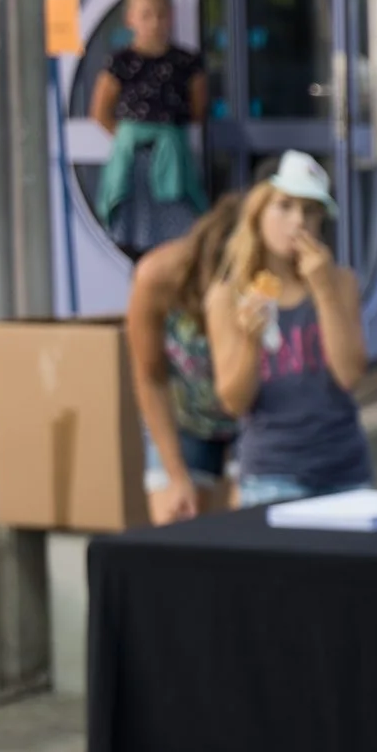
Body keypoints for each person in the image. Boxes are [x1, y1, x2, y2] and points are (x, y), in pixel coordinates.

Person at [206, 153, 372, 508]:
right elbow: (234, 402)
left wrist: (323, 289)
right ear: (257, 212)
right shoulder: (228, 296)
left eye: (311, 210)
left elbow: (350, 375)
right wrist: (250, 341)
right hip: (271, 475)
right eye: (285, 206)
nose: (299, 221)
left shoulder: (340, 281)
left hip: (345, 471)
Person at [126, 190, 248, 523]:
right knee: (174, 525)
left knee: (256, 530)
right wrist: (176, 475)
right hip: (184, 418)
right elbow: (150, 377)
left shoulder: (269, 277)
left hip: (253, 416)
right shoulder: (158, 277)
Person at [91, 0, 208, 253]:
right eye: (146, 15)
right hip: (133, 163)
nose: (155, 22)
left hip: (173, 161)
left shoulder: (187, 62)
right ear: (130, 19)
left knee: (180, 234)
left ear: (171, 16)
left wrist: (165, 139)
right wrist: (132, 138)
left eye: (161, 14)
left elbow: (197, 110)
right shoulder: (119, 62)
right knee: (132, 237)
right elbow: (100, 112)